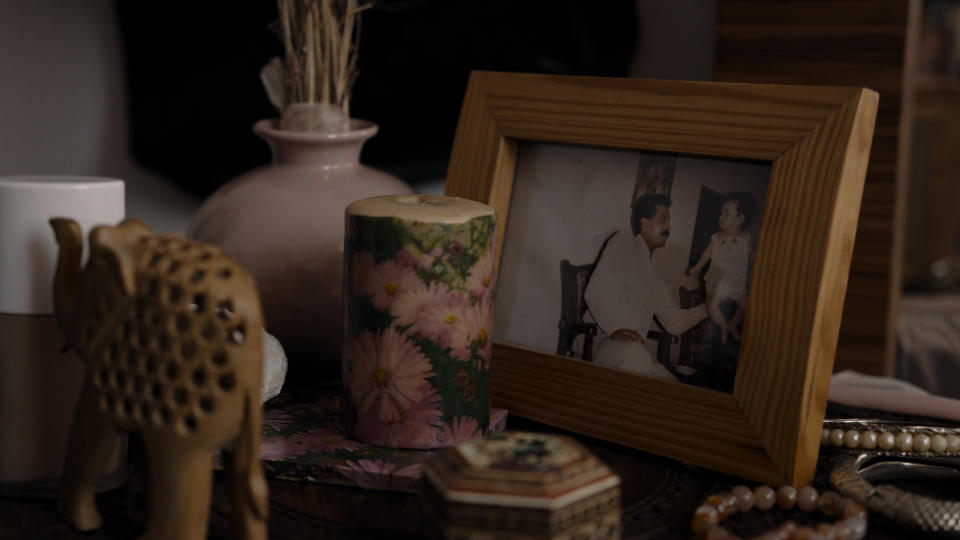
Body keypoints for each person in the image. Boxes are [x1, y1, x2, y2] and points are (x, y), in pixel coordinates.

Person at [584, 194, 707, 380]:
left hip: (633, 353)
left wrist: (709, 308)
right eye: (664, 220)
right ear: (645, 224)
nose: (669, 227)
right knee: (638, 357)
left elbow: (673, 321)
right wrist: (614, 329)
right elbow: (595, 291)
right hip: (600, 341)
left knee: (674, 388)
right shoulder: (623, 241)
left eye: (669, 221)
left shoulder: (654, 273)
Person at [685, 193, 756, 345]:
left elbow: (751, 257)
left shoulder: (745, 239)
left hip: (735, 281)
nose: (721, 216)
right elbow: (705, 255)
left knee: (745, 308)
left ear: (740, 218)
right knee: (711, 307)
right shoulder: (716, 238)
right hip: (717, 280)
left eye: (726, 213)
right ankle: (723, 325)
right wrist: (697, 268)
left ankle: (733, 325)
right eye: (721, 213)